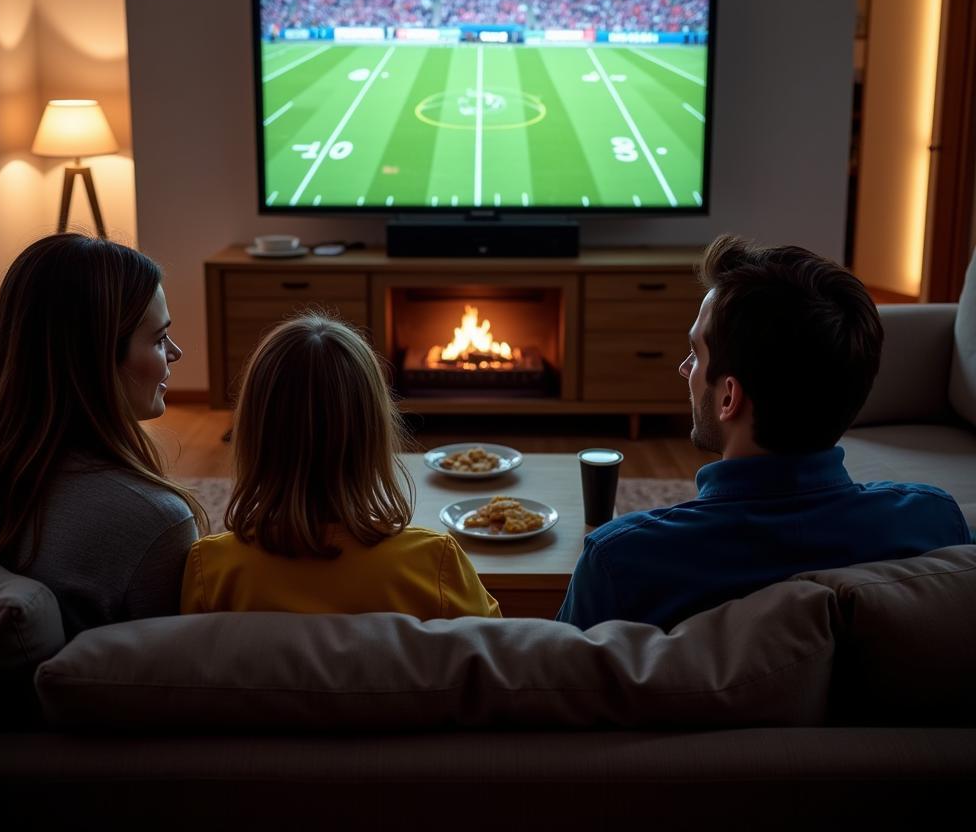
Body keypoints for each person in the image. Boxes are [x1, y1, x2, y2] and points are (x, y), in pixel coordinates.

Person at [557, 234, 971, 631]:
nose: (685, 369)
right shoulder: (935, 523)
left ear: (728, 398)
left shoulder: (620, 561)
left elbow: (559, 688)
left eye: (697, 354)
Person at [0, 234, 206, 639]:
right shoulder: (153, 519)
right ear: (99, 360)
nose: (175, 353)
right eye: (159, 339)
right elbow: (168, 675)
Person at [181, 313, 501, 620]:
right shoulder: (435, 563)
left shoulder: (211, 570)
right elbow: (499, 654)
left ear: (251, 435)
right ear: (375, 434)